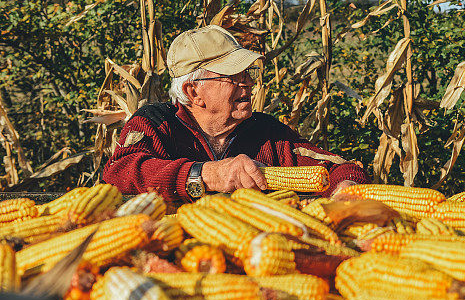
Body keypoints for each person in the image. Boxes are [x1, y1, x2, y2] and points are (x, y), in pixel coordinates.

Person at [103, 25, 368, 202]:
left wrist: (345, 187)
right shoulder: (155, 124)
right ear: (194, 92)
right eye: (233, 76)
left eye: (247, 74)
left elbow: (339, 168)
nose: (249, 83)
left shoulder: (268, 133)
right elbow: (118, 173)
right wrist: (207, 174)